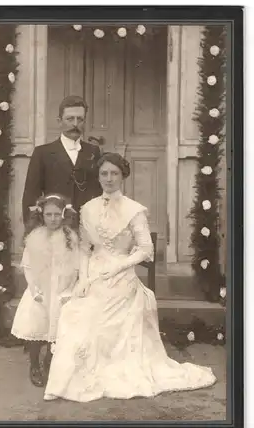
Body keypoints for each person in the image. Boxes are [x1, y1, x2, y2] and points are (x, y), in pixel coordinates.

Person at [44, 153, 217, 402]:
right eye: (104, 173)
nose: (109, 178)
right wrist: (82, 278)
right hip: (93, 272)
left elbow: (146, 249)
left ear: (123, 176)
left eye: (114, 173)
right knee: (74, 311)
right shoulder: (88, 208)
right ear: (98, 176)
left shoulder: (134, 210)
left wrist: (118, 267)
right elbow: (83, 248)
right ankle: (64, 381)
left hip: (122, 274)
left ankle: (104, 374)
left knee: (99, 315)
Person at [11, 194, 79, 387]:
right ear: (42, 215)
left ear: (64, 215)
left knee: (57, 326)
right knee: (36, 323)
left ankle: (49, 361)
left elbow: (75, 267)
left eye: (57, 214)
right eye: (48, 214)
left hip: (61, 289)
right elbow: (28, 267)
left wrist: (68, 290)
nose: (53, 219)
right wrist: (34, 290)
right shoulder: (35, 237)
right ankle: (34, 364)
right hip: (39, 290)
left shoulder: (69, 237)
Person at [22, 95, 102, 227]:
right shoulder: (43, 153)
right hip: (54, 228)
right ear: (59, 121)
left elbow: (99, 193)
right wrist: (34, 231)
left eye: (80, 119)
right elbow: (31, 197)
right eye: (70, 119)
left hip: (87, 228)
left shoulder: (93, 152)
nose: (75, 124)